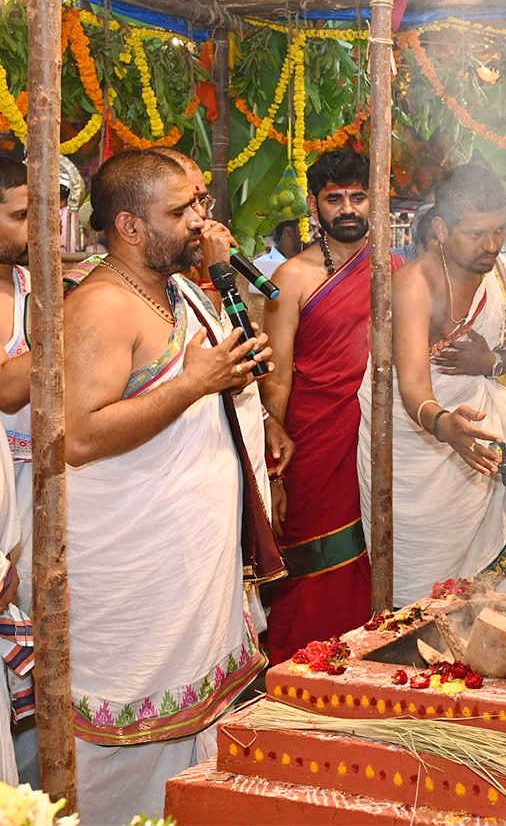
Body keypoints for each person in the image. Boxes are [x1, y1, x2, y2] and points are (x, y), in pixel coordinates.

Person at [63, 150, 273, 823]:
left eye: (202, 204)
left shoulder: (177, 290)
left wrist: (230, 373)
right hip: (137, 581)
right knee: (130, 775)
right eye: (182, 210)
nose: (201, 221)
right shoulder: (101, 306)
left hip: (191, 573)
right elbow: (81, 436)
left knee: (196, 759)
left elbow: (205, 384)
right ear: (129, 225)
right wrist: (194, 383)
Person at [357, 164, 506, 607]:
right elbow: (414, 388)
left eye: (498, 231)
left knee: (486, 594)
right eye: (476, 234)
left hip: (478, 431)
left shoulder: (502, 278)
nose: (492, 245)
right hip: (412, 451)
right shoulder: (413, 286)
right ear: (441, 228)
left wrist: (489, 361)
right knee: (419, 589)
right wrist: (446, 427)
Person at [260, 150, 396, 665]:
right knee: (314, 559)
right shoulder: (291, 277)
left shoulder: (394, 270)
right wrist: (273, 447)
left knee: (373, 554)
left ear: (373, 202)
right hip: (313, 440)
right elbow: (278, 374)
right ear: (314, 206)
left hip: (379, 436)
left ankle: (365, 668)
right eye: (334, 198)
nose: (347, 209)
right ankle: (300, 672)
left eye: (358, 197)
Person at [0, 158, 33, 786]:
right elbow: (6, 391)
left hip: (52, 487)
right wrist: (66, 328)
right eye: (20, 216)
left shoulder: (36, 283)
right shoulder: (56, 301)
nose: (35, 228)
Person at [250, 219, 302, 294]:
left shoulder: (318, 266)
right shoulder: (259, 267)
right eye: (309, 230)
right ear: (289, 232)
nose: (317, 235)